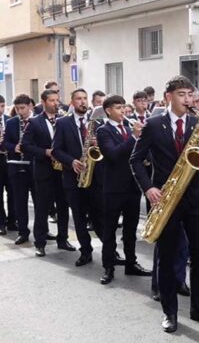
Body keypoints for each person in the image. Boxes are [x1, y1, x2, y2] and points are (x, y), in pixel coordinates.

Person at [130, 75, 199, 333]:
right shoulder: (153, 124)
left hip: (194, 198)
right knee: (168, 258)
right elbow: (135, 160)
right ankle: (170, 312)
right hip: (166, 198)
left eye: (189, 94)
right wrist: (148, 187)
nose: (187, 99)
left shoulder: (197, 123)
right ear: (169, 96)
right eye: (181, 94)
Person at [96, 95, 151, 285]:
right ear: (108, 110)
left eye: (123, 108)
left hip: (131, 187)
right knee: (110, 230)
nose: (123, 111)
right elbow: (113, 154)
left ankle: (131, 263)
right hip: (113, 188)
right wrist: (135, 137)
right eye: (118, 108)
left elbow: (136, 155)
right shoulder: (103, 131)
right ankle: (108, 267)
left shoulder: (128, 129)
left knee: (130, 229)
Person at [52, 89, 105, 266]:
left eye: (84, 98)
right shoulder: (63, 123)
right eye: (78, 99)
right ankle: (86, 251)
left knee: (99, 216)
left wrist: (101, 144)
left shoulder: (97, 122)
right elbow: (56, 150)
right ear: (72, 102)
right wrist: (72, 161)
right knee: (79, 217)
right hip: (73, 178)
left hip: (95, 177)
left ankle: (109, 250)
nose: (82, 102)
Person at [22, 89, 73, 258]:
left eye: (57, 100)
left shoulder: (64, 120)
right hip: (44, 170)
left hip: (62, 170)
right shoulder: (34, 122)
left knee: (63, 206)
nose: (56, 103)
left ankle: (63, 239)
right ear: (43, 102)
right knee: (42, 208)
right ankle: (40, 243)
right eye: (52, 100)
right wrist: (46, 152)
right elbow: (26, 146)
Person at [3, 94, 35, 243]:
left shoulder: (38, 121)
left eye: (22, 108)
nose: (20, 111)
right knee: (19, 201)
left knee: (41, 202)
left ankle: (43, 230)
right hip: (17, 166)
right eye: (17, 108)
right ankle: (23, 231)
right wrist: (13, 147)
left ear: (30, 106)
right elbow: (4, 144)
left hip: (35, 166)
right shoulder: (11, 123)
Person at [0, 95, 15, 235]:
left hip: (9, 160)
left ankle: (12, 221)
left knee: (12, 191)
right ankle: (1, 222)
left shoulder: (9, 121)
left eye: (3, 106)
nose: (1, 109)